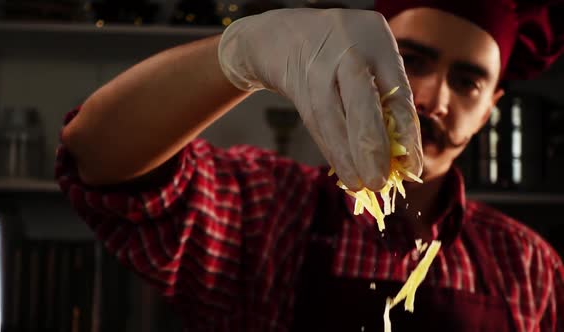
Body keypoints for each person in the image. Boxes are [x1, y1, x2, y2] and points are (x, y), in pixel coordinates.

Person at [56, 0, 564, 331]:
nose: (431, 99)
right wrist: (244, 53)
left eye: (468, 82)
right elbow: (98, 162)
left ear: (491, 105)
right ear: (365, 61)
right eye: (413, 61)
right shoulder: (267, 209)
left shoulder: (529, 264)